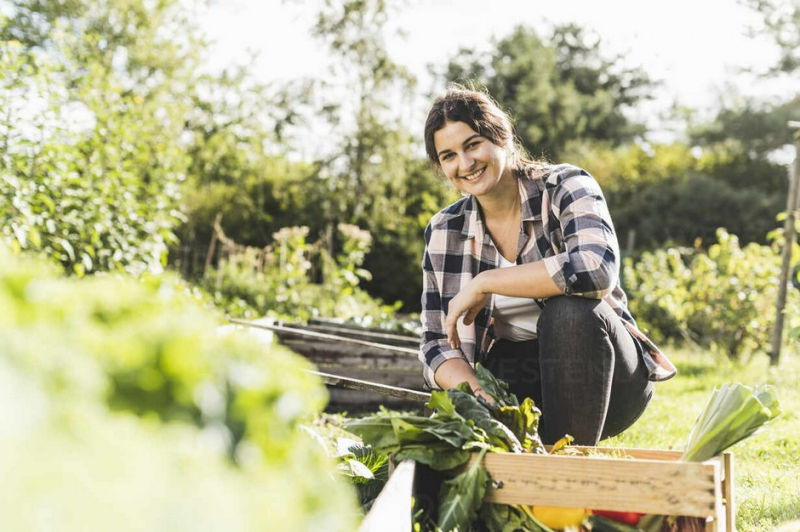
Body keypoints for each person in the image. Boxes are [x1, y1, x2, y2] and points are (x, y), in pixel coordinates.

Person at [419, 85, 676, 446]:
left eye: (473, 144)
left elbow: (595, 268)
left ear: (502, 136)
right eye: (448, 156)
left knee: (568, 312)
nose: (464, 164)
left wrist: (486, 282)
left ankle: (565, 473)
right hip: (520, 383)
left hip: (608, 378)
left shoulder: (566, 186)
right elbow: (435, 343)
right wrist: (480, 395)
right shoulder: (445, 231)